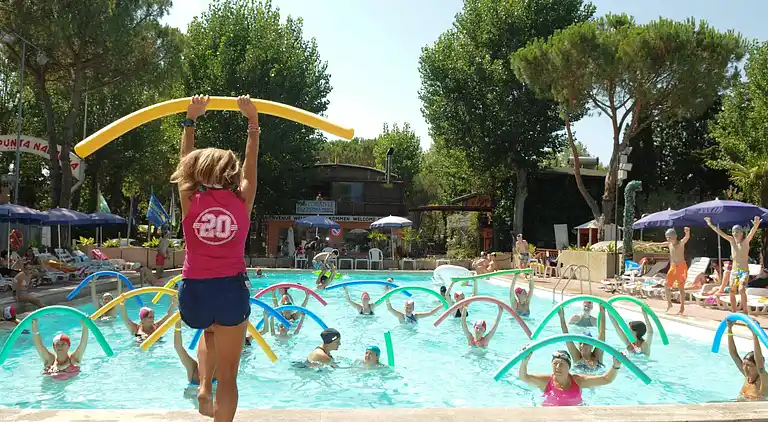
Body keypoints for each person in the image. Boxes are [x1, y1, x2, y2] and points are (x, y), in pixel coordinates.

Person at [171, 95, 258, 420]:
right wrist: (253, 124)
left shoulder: (190, 198)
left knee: (208, 332)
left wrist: (190, 119)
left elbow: (184, 162)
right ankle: (212, 389)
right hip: (229, 289)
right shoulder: (242, 199)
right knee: (231, 375)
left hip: (194, 289)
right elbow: (251, 166)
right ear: (230, 173)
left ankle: (204, 385)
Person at [518, 349, 622, 407]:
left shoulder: (578, 381)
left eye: (562, 364)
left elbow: (607, 379)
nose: (558, 367)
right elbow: (524, 377)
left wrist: (616, 366)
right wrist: (524, 362)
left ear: (569, 367)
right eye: (555, 364)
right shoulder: (546, 381)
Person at [706, 216, 762, 316]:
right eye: (733, 232)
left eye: (737, 232)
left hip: (744, 271)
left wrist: (756, 225)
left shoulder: (745, 242)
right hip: (734, 271)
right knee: (732, 291)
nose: (735, 234)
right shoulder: (731, 241)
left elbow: (751, 233)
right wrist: (710, 224)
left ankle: (745, 312)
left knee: (741, 289)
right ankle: (734, 312)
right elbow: (721, 233)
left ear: (741, 233)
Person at [726, 319, 767, 400]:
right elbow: (733, 353)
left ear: (756, 367)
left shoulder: (763, 380)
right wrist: (729, 329)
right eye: (744, 364)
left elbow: (759, 362)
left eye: (748, 365)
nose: (744, 367)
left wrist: (755, 335)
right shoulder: (748, 377)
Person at [559, 306, 607, 372]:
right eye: (580, 343)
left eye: (585, 343)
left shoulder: (597, 356)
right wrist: (561, 317)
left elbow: (602, 333)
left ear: (592, 345)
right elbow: (566, 336)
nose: (581, 346)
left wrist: (602, 312)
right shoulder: (577, 357)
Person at [657, 227, 691, 315]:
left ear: (674, 237)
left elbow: (686, 238)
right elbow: (659, 244)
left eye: (669, 237)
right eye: (667, 237)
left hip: (681, 268)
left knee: (681, 288)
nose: (667, 239)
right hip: (673, 267)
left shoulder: (680, 244)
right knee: (666, 285)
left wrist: (687, 232)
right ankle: (669, 304)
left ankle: (682, 307)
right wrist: (649, 245)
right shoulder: (669, 244)